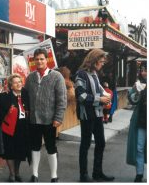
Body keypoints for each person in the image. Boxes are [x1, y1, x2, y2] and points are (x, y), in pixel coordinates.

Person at [24, 48, 67, 182]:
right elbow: (25, 97)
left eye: (42, 59)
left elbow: (62, 99)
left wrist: (58, 118)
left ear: (47, 59)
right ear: (33, 61)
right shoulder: (30, 77)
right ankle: (34, 175)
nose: (39, 61)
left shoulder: (56, 76)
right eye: (37, 59)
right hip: (34, 120)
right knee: (35, 147)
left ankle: (54, 176)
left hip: (50, 120)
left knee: (51, 147)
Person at [74, 48, 115, 182]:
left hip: (97, 114)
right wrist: (100, 99)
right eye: (101, 61)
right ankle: (83, 175)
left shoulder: (94, 73)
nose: (102, 64)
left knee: (101, 143)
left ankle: (97, 173)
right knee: (85, 144)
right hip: (87, 115)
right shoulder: (81, 74)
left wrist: (106, 95)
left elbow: (98, 89)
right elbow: (81, 96)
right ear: (95, 60)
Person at [0, 74, 31, 182]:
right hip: (9, 128)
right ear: (11, 86)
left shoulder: (25, 94)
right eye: (15, 82)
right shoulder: (4, 96)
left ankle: (17, 173)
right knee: (9, 151)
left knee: (20, 152)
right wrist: (4, 114)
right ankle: (12, 174)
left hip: (23, 127)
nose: (18, 84)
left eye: (20, 82)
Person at [126, 62, 147, 182]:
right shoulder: (139, 84)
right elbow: (132, 101)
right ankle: (139, 174)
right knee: (139, 147)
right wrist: (137, 91)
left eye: (146, 70)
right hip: (141, 119)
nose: (143, 72)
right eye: (142, 70)